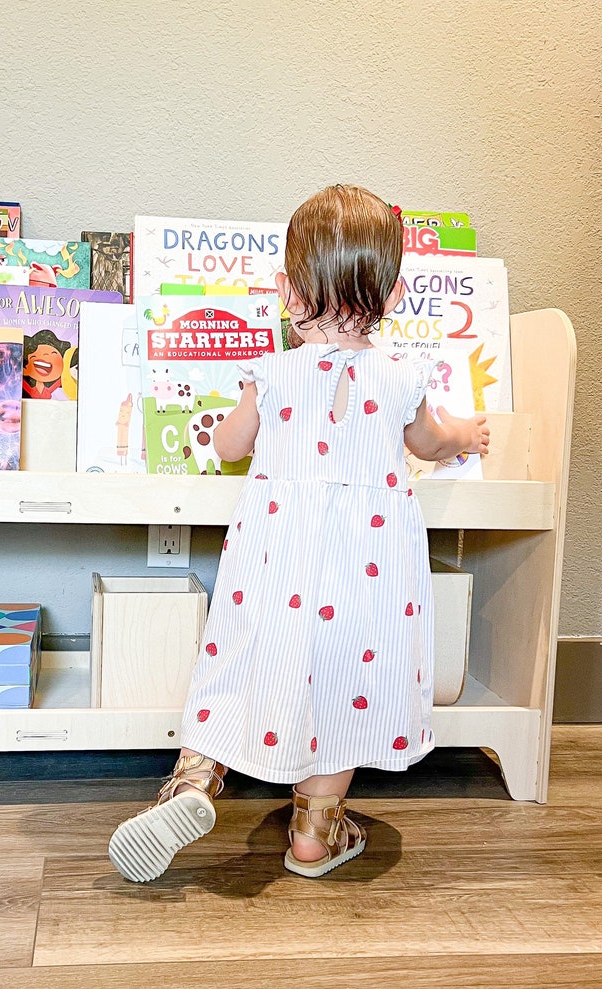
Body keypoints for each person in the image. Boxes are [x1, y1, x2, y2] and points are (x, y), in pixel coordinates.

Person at [108, 185, 490, 882]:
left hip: (275, 561)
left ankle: (194, 779)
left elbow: (229, 446)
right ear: (395, 295)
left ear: (286, 292)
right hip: (366, 571)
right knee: (343, 686)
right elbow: (432, 443)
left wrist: (216, 426)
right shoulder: (401, 377)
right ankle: (315, 831)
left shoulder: (272, 373)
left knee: (241, 659)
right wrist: (467, 433)